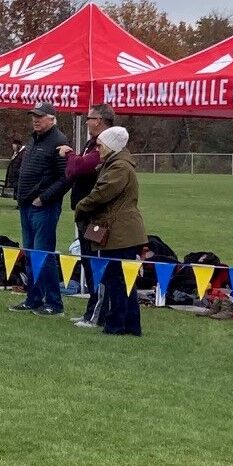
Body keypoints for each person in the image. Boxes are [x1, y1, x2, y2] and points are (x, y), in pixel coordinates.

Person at [73, 126, 147, 336]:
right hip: (121, 230)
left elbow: (101, 193)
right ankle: (130, 325)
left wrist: (81, 206)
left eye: (100, 145)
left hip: (120, 232)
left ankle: (117, 325)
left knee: (116, 279)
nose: (98, 149)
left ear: (111, 146)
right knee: (124, 280)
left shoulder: (119, 167)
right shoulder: (115, 164)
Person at [55, 104, 117, 327]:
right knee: (88, 262)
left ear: (99, 120)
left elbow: (79, 168)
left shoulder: (105, 144)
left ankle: (97, 314)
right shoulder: (93, 143)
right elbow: (73, 170)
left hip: (96, 217)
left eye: (89, 118)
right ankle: (91, 310)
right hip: (85, 214)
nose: (87, 121)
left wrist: (70, 154)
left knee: (96, 265)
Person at [8, 102, 69, 316]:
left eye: (40, 116)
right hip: (26, 204)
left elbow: (66, 178)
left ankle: (54, 302)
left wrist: (44, 198)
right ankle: (33, 298)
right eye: (34, 115)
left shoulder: (58, 141)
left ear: (52, 119)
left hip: (44, 207)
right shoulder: (33, 139)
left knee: (44, 254)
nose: (35, 119)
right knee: (31, 253)